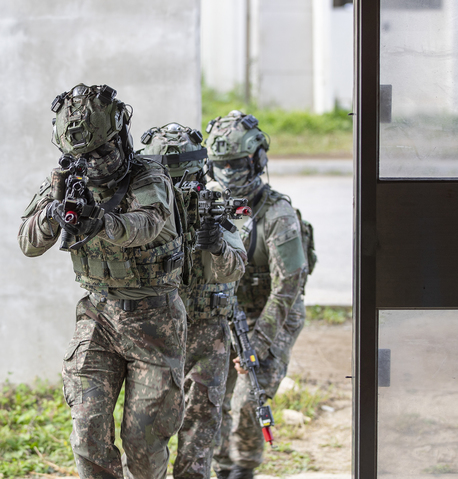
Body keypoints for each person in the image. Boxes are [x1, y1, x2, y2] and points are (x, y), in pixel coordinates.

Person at [18, 84, 187, 479]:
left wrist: (100, 223)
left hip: (154, 320)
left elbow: (146, 224)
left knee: (143, 442)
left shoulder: (149, 175)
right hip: (98, 317)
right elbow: (27, 243)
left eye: (101, 152)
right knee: (88, 432)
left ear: (121, 138)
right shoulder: (68, 177)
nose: (93, 164)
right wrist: (52, 215)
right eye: (82, 157)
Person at [138, 123, 247, 479]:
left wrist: (215, 242)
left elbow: (235, 267)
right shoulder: (142, 208)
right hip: (156, 328)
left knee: (200, 425)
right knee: (148, 427)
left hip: (205, 329)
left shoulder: (215, 204)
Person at [208, 111, 309, 479]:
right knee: (209, 396)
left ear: (257, 160)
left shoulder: (277, 212)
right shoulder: (210, 205)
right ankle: (220, 467)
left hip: (273, 313)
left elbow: (289, 285)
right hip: (225, 312)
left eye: (236, 164)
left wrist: (258, 344)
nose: (228, 172)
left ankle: (244, 468)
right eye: (220, 165)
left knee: (249, 399)